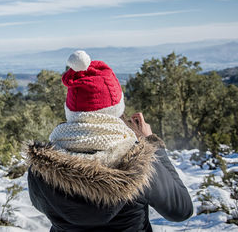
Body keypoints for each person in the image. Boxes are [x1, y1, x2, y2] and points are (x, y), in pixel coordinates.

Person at [27, 50, 193, 232]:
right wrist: (152, 145)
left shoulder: (42, 167)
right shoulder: (138, 163)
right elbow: (181, 210)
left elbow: (40, 204)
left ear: (72, 113)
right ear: (116, 110)